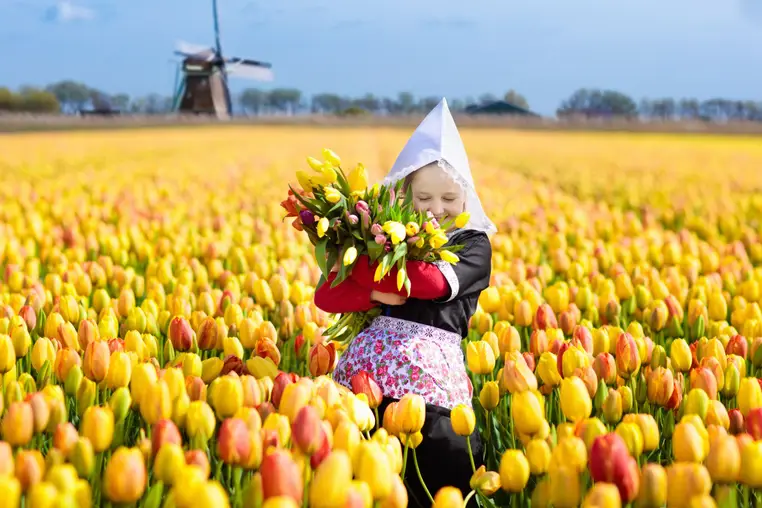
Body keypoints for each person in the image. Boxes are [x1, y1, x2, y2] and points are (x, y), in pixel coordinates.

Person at [313, 98, 496, 507]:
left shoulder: (473, 245)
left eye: (449, 199)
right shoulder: (390, 239)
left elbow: (430, 283)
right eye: (424, 198)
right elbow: (326, 295)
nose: (436, 210)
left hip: (429, 386)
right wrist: (376, 290)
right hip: (366, 381)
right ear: (404, 196)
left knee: (438, 461)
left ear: (466, 198)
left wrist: (371, 262)